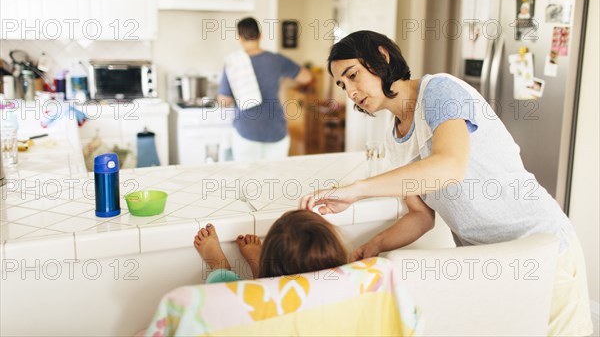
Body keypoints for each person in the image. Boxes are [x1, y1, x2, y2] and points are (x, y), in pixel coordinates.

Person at [299, 30, 593, 336]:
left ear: (382, 57)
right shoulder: (395, 139)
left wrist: (356, 191)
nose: (351, 91)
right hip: (489, 263)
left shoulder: (438, 91)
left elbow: (449, 166)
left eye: (354, 75)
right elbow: (421, 217)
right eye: (343, 85)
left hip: (540, 248)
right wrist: (372, 246)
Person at [217, 17, 313, 161]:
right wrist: (283, 79)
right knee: (273, 179)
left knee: (247, 180)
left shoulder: (233, 63)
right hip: (275, 130)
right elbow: (307, 77)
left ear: (239, 37)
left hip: (247, 130)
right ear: (260, 35)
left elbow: (224, 101)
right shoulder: (276, 60)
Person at [193, 209, 348, 282]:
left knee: (224, 288)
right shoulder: (345, 286)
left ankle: (220, 267)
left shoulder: (272, 306)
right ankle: (259, 274)